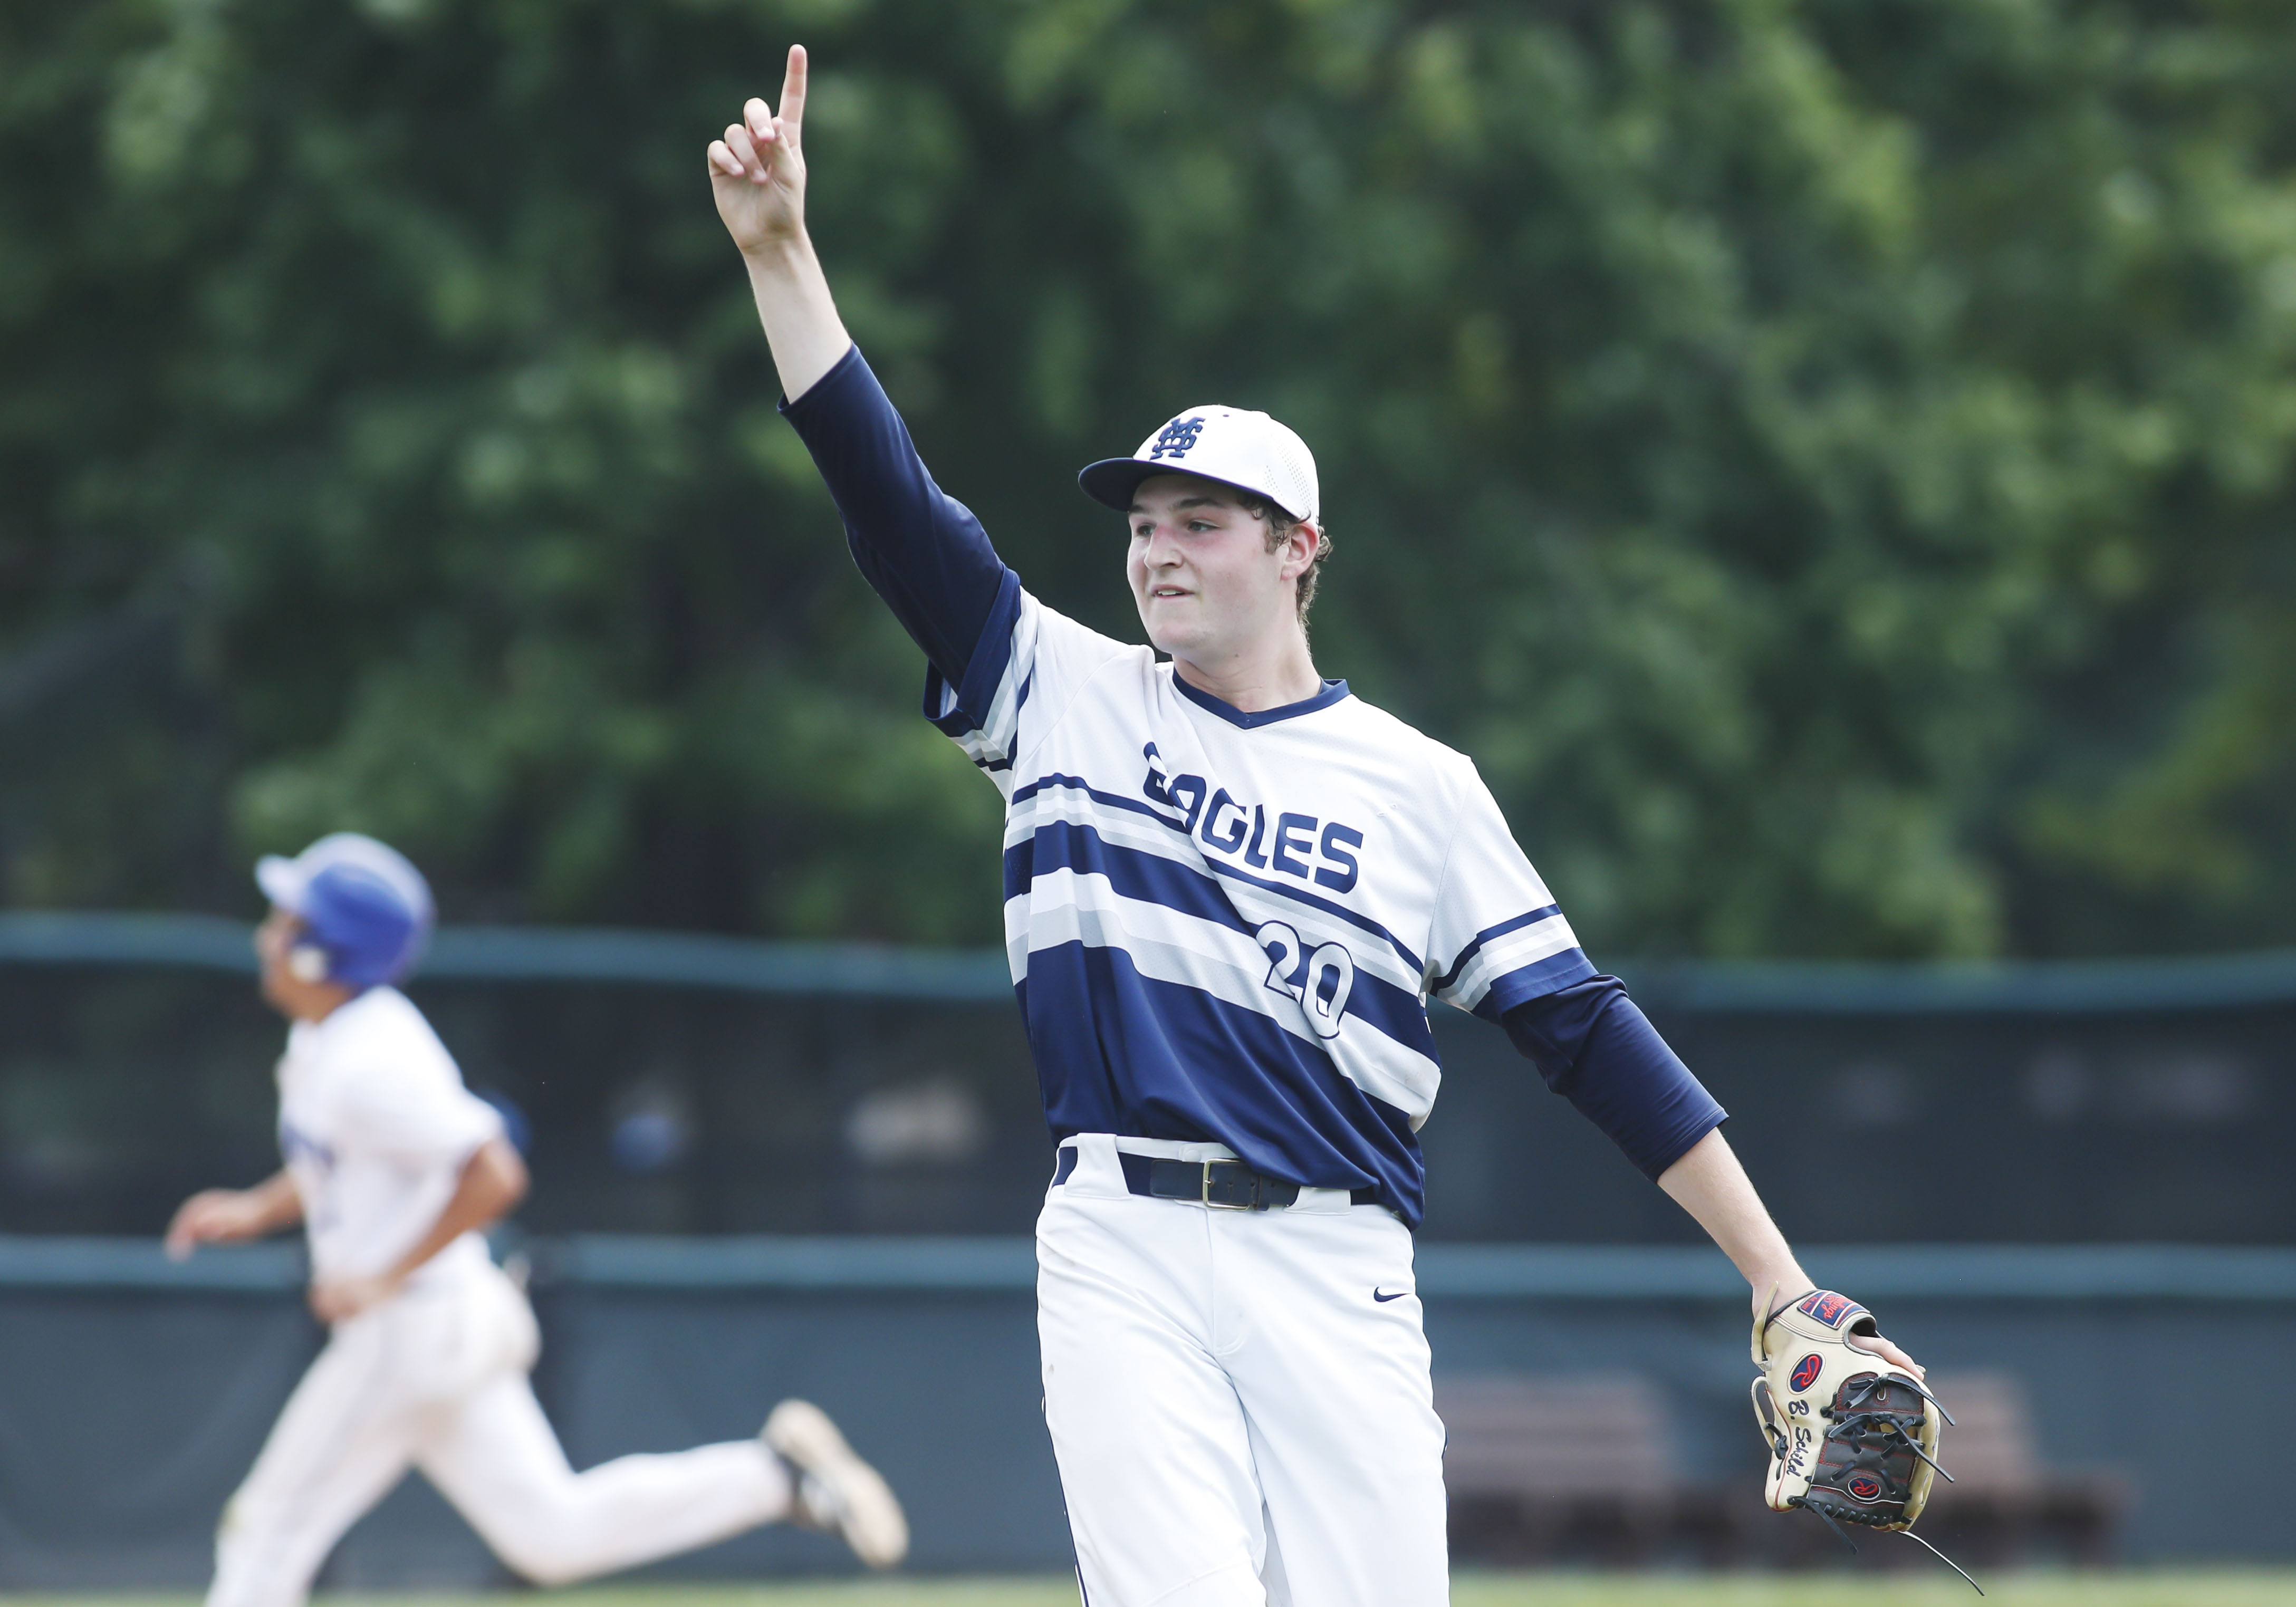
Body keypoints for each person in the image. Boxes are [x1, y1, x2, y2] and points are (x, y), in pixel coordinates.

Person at [707, 47, 1924, 1605]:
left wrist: (1776, 1277)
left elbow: (1584, 1034)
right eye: (1142, 524)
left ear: (1299, 553)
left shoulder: (1416, 786)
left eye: (1198, 522)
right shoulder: (1060, 696)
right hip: (1120, 1241)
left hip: (1333, 1266)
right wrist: (784, 256)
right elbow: (891, 506)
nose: (1156, 550)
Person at [164, 832, 906, 1607]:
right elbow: (339, 1162)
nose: (268, 938)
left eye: (288, 925)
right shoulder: (327, 1037)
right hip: (448, 1319)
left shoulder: (367, 1061)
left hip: (408, 1330)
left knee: (268, 1530)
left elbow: (494, 1173)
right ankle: (771, 1479)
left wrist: (380, 1274)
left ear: (327, 954)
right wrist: (257, 1209)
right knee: (553, 1535)